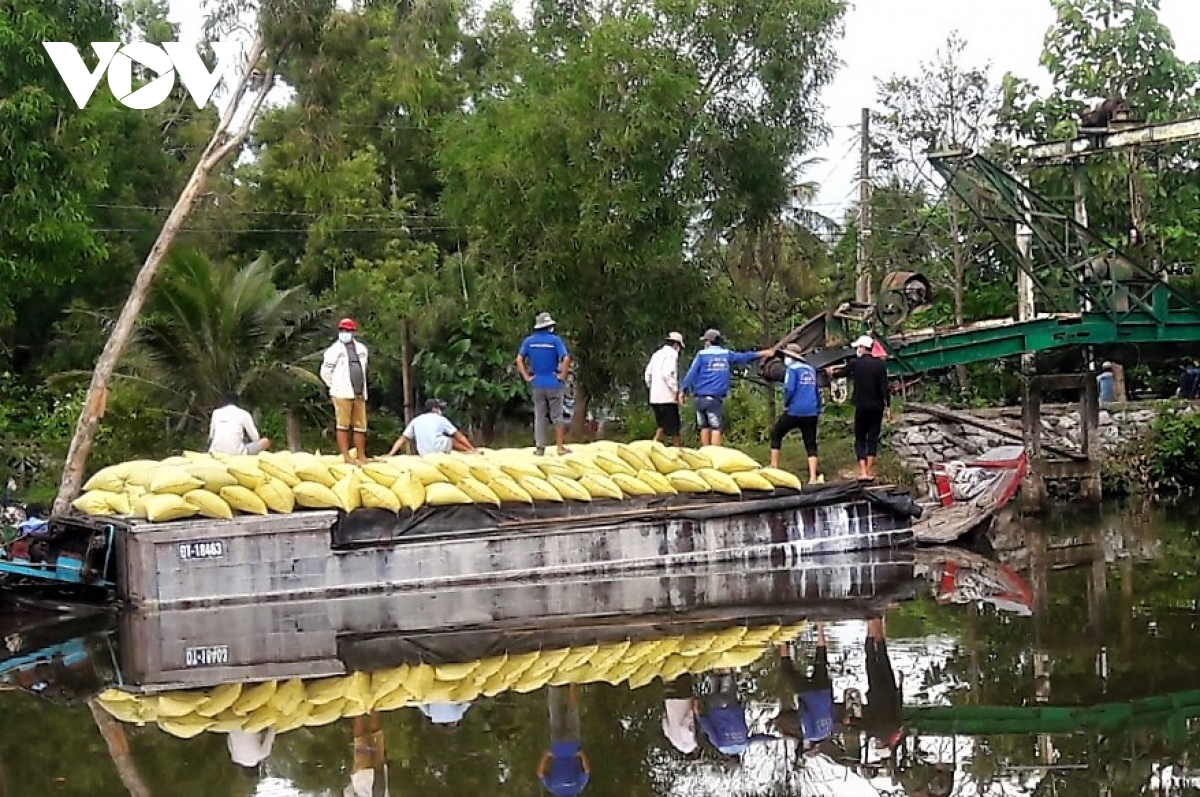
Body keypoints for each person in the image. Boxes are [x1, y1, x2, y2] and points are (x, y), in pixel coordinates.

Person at [679, 329, 774, 447]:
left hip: (700, 397)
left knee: (703, 426)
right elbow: (745, 357)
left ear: (709, 342)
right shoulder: (726, 354)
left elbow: (691, 373)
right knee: (716, 427)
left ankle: (704, 453)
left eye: (705, 341)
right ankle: (714, 455)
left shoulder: (701, 355)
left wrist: (682, 389)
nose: (704, 344)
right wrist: (764, 353)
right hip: (714, 398)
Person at [770, 623, 835, 753]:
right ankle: (783, 634)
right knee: (787, 668)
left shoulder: (828, 731)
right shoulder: (809, 734)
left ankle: (820, 626)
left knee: (821, 659)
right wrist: (800, 705)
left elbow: (832, 709)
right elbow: (803, 715)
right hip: (808, 694)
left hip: (824, 692)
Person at [517, 312, 572, 456]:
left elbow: (519, 359)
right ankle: (560, 447)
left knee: (540, 416)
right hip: (553, 382)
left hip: (537, 382)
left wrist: (526, 377)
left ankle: (540, 448)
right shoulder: (555, 341)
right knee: (557, 415)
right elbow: (566, 358)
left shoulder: (529, 341)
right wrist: (562, 376)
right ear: (549, 326)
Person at [838, 335, 890, 480]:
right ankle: (869, 469)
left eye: (858, 347)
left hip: (861, 405)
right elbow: (885, 387)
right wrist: (888, 406)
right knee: (873, 437)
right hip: (877, 406)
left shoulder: (855, 363)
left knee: (860, 437)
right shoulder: (880, 365)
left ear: (862, 348)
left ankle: (862, 472)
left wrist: (831, 372)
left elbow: (841, 373)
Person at [769, 344, 823, 484]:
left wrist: (786, 403)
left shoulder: (792, 370)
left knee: (776, 433)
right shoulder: (811, 370)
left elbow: (789, 389)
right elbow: (817, 391)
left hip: (795, 410)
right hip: (811, 412)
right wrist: (818, 408)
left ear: (791, 357)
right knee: (810, 443)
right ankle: (812, 477)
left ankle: (773, 467)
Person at [694, 670, 775, 761]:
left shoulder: (743, 744)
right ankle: (713, 665)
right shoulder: (721, 746)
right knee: (714, 682)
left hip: (732, 705)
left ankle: (726, 662)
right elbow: (709, 729)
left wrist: (775, 738)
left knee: (727, 679)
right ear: (728, 756)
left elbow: (758, 738)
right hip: (715, 708)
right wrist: (699, 716)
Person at [320, 318, 370, 465]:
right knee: (343, 425)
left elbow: (363, 369)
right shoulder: (333, 351)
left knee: (360, 425)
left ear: (353, 332)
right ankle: (346, 456)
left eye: (348, 331)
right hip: (341, 393)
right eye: (342, 330)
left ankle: (361, 456)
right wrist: (334, 386)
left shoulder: (362, 349)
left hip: (359, 392)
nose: (345, 333)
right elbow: (325, 372)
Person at [537, 684, 591, 796]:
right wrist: (547, 755)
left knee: (564, 711)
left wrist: (546, 756)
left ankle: (563, 684)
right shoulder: (557, 788)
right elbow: (587, 771)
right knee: (563, 712)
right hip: (566, 745)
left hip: (565, 745)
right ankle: (562, 684)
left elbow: (540, 774)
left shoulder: (574, 788)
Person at [386, 399, 476, 456]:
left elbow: (402, 439)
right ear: (434, 409)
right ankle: (470, 452)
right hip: (438, 449)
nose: (441, 411)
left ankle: (469, 451)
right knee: (452, 441)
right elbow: (458, 435)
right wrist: (471, 447)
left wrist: (390, 454)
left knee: (449, 441)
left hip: (423, 453)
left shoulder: (416, 420)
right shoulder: (440, 419)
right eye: (439, 408)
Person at [645, 332, 685, 446]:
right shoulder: (672, 354)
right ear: (676, 345)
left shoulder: (656, 354)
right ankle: (678, 451)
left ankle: (652, 446)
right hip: (667, 398)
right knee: (674, 429)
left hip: (655, 397)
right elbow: (667, 374)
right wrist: (675, 391)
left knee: (662, 425)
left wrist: (652, 388)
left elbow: (647, 374)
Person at [345, 713, 389, 797]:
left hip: (378, 784)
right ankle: (359, 710)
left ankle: (372, 707)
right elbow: (348, 792)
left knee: (376, 737)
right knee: (360, 740)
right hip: (364, 783)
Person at [662, 673, 699, 757]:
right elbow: (664, 722)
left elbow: (684, 728)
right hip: (669, 701)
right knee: (669, 673)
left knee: (682, 670)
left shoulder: (691, 745)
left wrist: (692, 712)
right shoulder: (673, 741)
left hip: (683, 700)